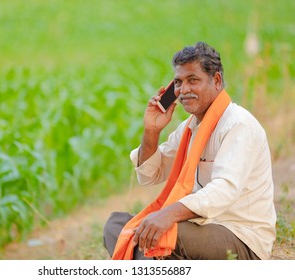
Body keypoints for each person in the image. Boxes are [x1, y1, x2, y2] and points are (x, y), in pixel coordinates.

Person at [103, 42, 276, 260]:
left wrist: (168, 214)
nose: (184, 90)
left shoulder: (239, 125)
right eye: (178, 82)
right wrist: (152, 130)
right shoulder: (189, 128)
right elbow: (150, 175)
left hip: (241, 236)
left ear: (217, 80)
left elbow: (224, 190)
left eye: (193, 80)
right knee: (116, 224)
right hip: (197, 227)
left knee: (161, 233)